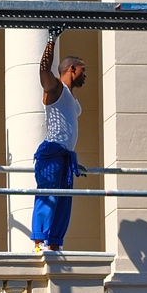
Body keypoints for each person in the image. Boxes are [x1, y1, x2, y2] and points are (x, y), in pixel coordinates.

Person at [32, 37, 87, 252]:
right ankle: (39, 243)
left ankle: (54, 244)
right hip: (52, 151)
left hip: (66, 156)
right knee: (48, 195)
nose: (86, 76)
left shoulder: (73, 100)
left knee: (64, 202)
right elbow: (44, 71)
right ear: (72, 69)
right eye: (84, 70)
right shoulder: (56, 89)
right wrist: (51, 42)